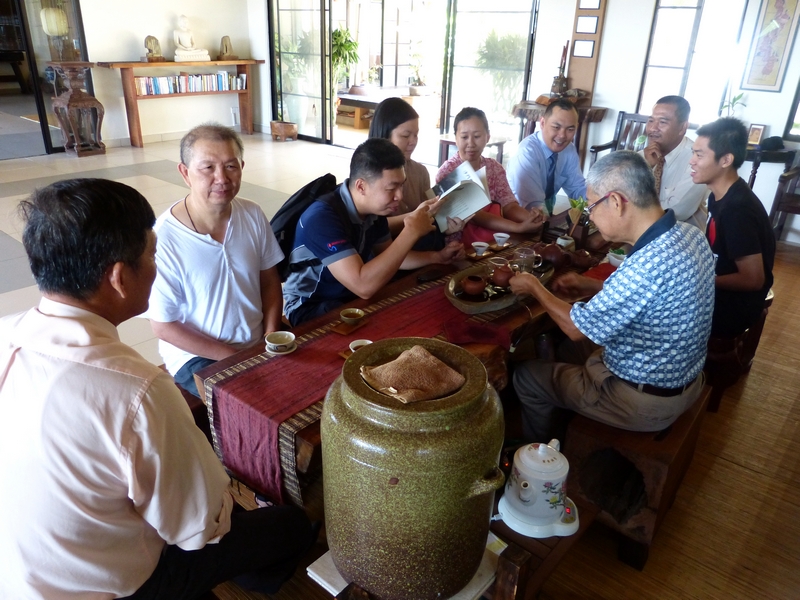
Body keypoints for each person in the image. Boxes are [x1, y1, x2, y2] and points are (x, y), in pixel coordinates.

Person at [0, 178, 313, 599]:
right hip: (114, 587)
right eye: (151, 254)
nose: (157, 265)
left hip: (17, 577)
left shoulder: (7, 333)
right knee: (287, 525)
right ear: (118, 278)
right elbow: (199, 527)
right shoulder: (136, 389)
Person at [509, 151, 715, 442]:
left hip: (644, 401)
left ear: (616, 202)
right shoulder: (690, 235)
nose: (591, 216)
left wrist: (533, 285)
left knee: (527, 376)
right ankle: (569, 411)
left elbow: (576, 328)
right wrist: (592, 287)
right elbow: (654, 299)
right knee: (565, 351)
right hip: (683, 378)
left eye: (592, 207)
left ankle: (541, 453)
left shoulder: (645, 265)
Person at [147, 123, 284, 397]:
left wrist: (270, 336)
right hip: (197, 355)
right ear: (185, 173)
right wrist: (235, 357)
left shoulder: (252, 214)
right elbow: (164, 325)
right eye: (207, 168)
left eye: (231, 166)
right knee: (255, 403)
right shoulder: (164, 239)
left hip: (256, 341)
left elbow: (269, 281)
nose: (221, 178)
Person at [283, 137, 464, 326]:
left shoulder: (373, 210)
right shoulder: (322, 218)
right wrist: (411, 231)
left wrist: (438, 257)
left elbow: (390, 256)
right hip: (310, 306)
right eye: (391, 188)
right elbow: (364, 286)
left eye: (401, 185)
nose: (399, 196)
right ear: (361, 186)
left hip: (347, 295)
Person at [690, 117, 775, 337]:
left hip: (733, 307)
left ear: (726, 159)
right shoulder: (720, 196)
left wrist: (701, 280)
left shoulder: (737, 209)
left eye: (699, 155)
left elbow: (754, 279)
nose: (692, 161)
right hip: (719, 292)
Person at [437, 106, 544, 246]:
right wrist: (518, 227)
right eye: (464, 137)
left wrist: (530, 218)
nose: (471, 143)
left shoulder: (494, 168)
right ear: (455, 138)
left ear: (487, 137)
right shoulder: (448, 172)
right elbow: (476, 216)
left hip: (495, 239)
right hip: (459, 245)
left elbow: (508, 205)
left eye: (477, 136)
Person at [368, 96, 463, 246]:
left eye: (416, 135)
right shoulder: (369, 174)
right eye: (405, 135)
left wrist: (445, 226)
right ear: (385, 134)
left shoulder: (420, 172)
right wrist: (415, 217)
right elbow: (371, 229)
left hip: (420, 247)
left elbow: (429, 218)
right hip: (387, 252)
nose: (413, 141)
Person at [506, 98, 587, 215]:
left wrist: (598, 203)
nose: (562, 136)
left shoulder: (568, 149)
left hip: (544, 214)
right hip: (518, 216)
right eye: (556, 127)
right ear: (542, 123)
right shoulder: (527, 153)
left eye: (570, 129)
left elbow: (577, 188)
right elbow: (533, 205)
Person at [641, 95, 708, 230]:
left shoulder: (697, 161)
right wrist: (645, 168)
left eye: (662, 122)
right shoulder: (643, 157)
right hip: (640, 234)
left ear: (683, 127)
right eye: (650, 121)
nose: (653, 128)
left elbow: (674, 212)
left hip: (680, 239)